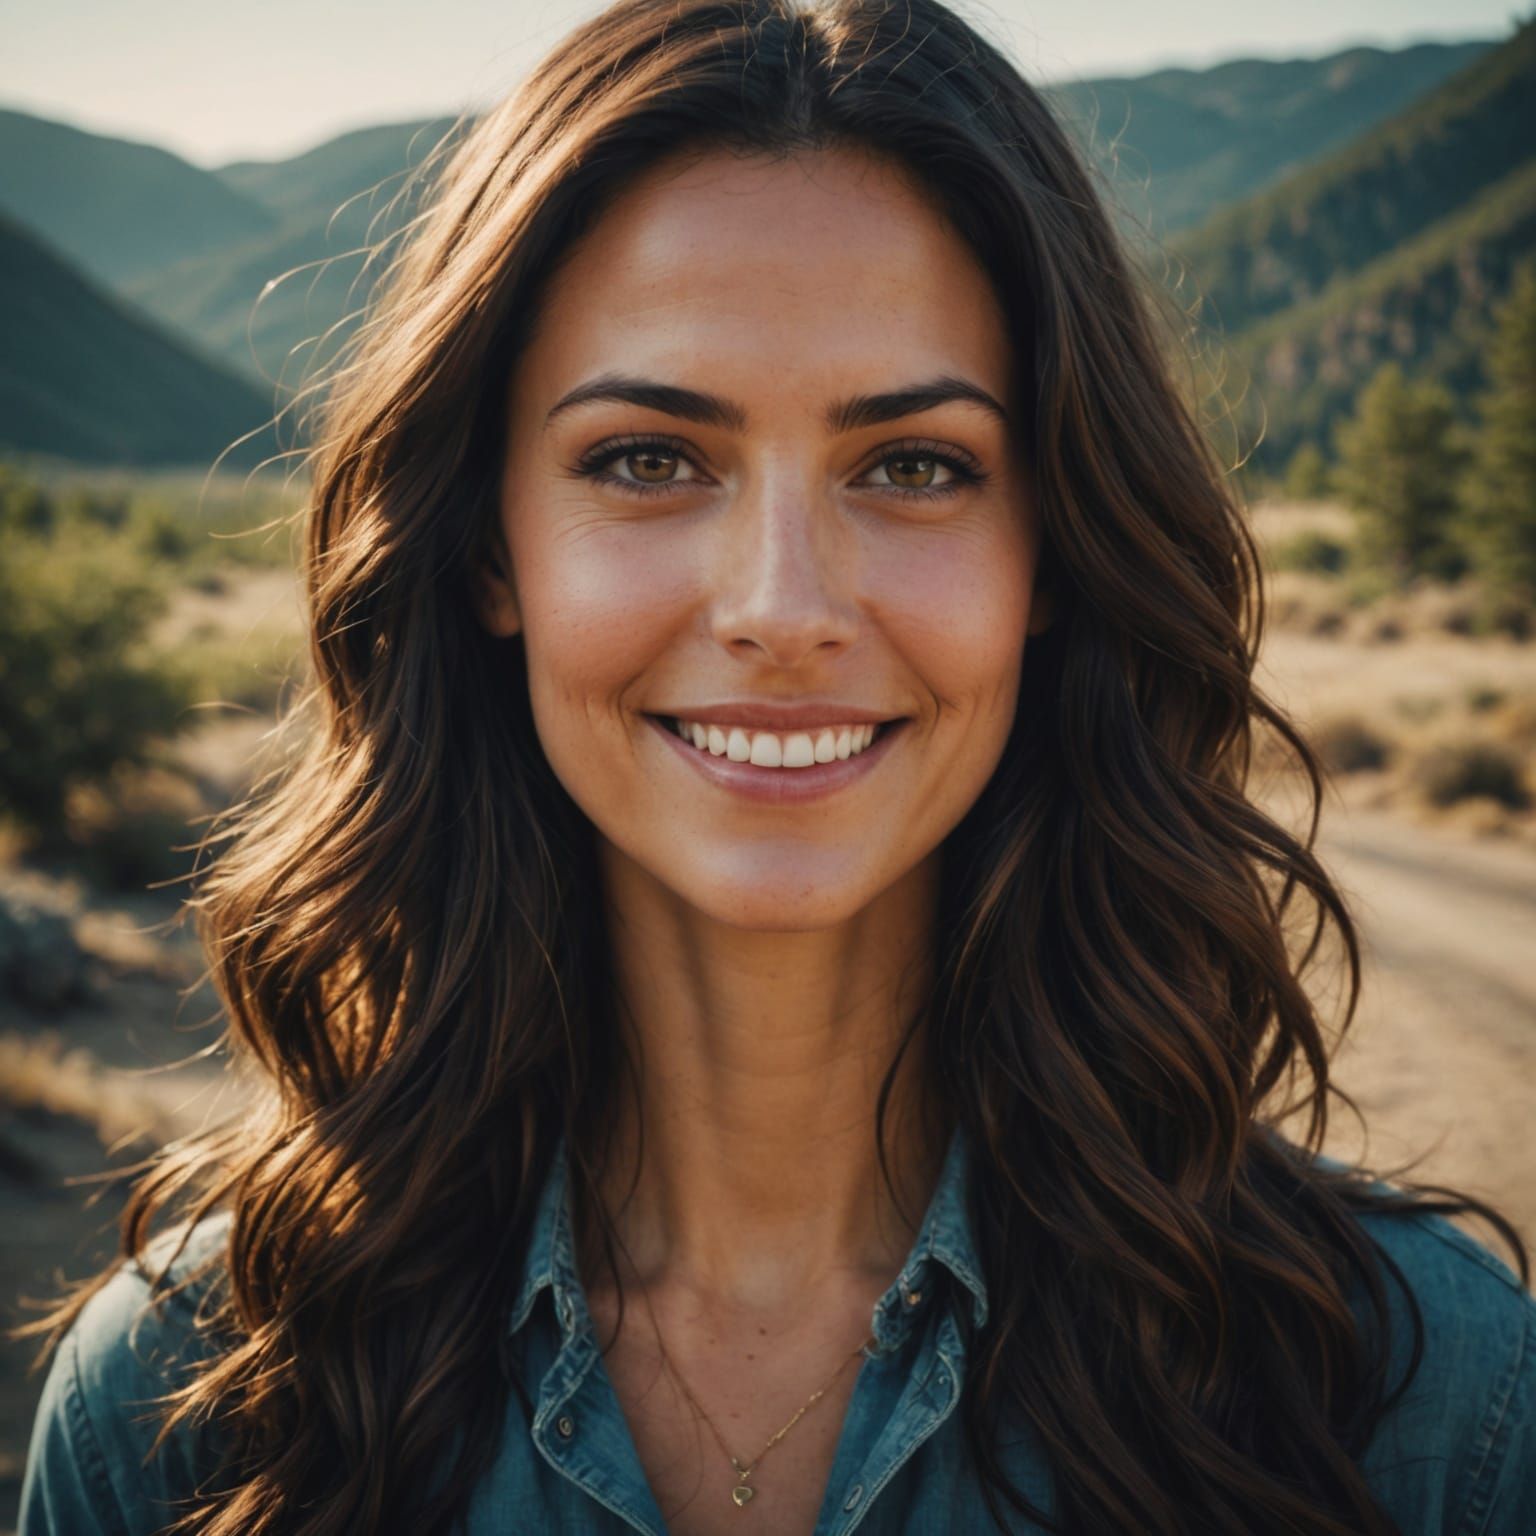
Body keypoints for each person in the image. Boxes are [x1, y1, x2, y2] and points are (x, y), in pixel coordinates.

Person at [14, 0, 1536, 1532]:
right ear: (490, 546)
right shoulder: (187, 1410)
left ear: (1053, 556)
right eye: (649, 460)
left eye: (916, 466)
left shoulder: (1421, 1405)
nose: (783, 609)